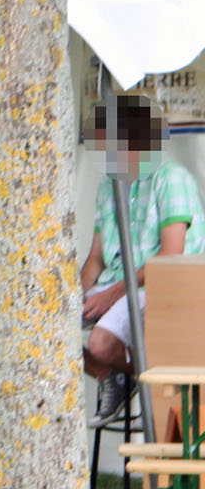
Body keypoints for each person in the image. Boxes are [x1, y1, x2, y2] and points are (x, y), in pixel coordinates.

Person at [82, 93, 205, 423]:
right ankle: (119, 379)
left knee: (99, 342)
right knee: (51, 332)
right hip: (121, 284)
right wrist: (73, 295)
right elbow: (95, 258)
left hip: (164, 286)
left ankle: (160, 393)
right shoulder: (108, 187)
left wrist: (111, 293)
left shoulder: (171, 177)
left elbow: (171, 255)